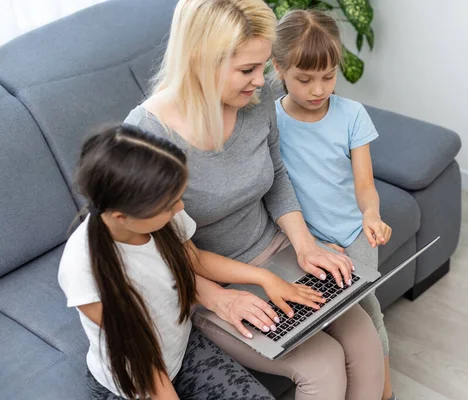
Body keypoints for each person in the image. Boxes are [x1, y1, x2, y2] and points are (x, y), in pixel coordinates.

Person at [123, 1, 384, 399]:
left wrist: (305, 245)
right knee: (324, 366)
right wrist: (219, 298)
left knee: (364, 340)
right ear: (200, 60)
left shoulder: (254, 106)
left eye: (262, 68)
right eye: (247, 70)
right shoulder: (147, 135)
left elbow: (277, 176)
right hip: (215, 283)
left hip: (277, 251)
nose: (261, 82)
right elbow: (152, 251)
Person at [58, 125, 322, 399]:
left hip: (181, 349)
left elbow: (194, 259)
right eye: (169, 206)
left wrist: (265, 278)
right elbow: (145, 362)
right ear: (120, 216)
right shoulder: (84, 271)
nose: (180, 209)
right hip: (135, 378)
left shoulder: (158, 217)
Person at [272, 9, 396, 400]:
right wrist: (306, 242)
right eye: (304, 79)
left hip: (354, 233)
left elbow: (364, 184)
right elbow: (274, 189)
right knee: (329, 318)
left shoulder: (352, 115)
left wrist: (371, 215)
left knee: (366, 311)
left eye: (328, 77)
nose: (318, 90)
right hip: (306, 242)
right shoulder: (270, 121)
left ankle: (384, 392)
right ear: (278, 69)